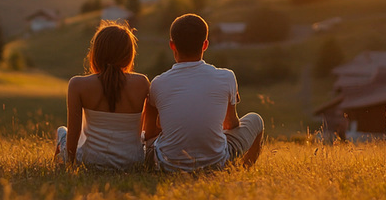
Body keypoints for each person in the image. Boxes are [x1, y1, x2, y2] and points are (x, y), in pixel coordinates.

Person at [144, 13, 263, 171]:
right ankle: (244, 169)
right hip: (217, 162)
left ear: (172, 45)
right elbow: (231, 123)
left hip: (167, 165)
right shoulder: (227, 76)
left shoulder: (157, 83)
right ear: (205, 44)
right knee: (256, 120)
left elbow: (150, 132)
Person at [54, 21, 150, 169]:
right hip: (132, 162)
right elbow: (144, 130)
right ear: (128, 55)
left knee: (62, 131)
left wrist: (71, 162)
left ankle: (59, 164)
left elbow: (74, 133)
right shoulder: (142, 83)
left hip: (89, 160)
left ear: (96, 53)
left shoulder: (78, 84)